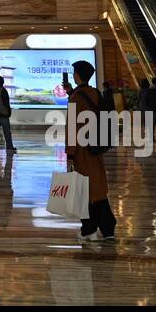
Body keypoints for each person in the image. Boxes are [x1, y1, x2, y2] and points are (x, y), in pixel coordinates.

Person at [63, 61, 115, 241]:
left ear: (77, 75)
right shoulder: (94, 92)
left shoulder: (76, 97)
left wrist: (69, 153)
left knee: (84, 190)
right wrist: (71, 92)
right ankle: (108, 228)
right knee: (98, 188)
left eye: (74, 72)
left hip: (81, 150)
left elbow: (72, 127)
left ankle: (89, 228)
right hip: (95, 146)